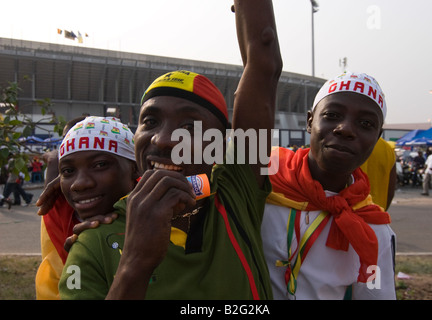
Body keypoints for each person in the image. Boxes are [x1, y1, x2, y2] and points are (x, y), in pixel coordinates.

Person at [58, 1, 282, 300]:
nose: (163, 140)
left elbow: (263, 64)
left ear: (220, 146)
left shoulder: (234, 194)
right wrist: (135, 264)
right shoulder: (93, 244)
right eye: (149, 121)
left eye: (190, 127)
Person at [262, 71, 396, 299]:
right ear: (309, 121)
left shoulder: (374, 232)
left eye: (365, 123)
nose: (345, 129)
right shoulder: (263, 184)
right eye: (332, 115)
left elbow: (375, 294)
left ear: (377, 137)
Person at [35, 116, 138, 299]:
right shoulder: (56, 214)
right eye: (68, 171)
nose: (79, 184)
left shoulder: (166, 208)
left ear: (136, 168)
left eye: (99, 165)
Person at [360, 137, 396, 211]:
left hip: (345, 216)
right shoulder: (387, 149)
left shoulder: (346, 142)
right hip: (376, 215)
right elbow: (390, 193)